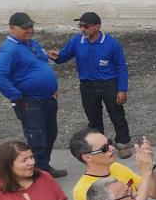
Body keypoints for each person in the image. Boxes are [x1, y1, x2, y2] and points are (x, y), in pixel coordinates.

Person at [48, 11, 132, 158]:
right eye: (80, 26)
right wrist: (56, 56)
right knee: (93, 118)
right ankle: (99, 145)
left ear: (97, 26)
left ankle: (123, 143)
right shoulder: (76, 41)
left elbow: (121, 67)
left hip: (109, 84)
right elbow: (64, 56)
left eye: (86, 26)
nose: (82, 29)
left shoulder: (112, 44)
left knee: (117, 114)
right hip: (87, 86)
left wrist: (122, 89)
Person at [0, 12, 64, 177]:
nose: (30, 30)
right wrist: (16, 95)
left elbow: (40, 61)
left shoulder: (29, 43)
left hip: (47, 98)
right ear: (12, 28)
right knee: (37, 138)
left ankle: (43, 167)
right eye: (25, 28)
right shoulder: (9, 50)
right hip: (30, 102)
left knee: (50, 133)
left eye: (31, 26)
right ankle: (36, 173)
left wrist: (51, 86)